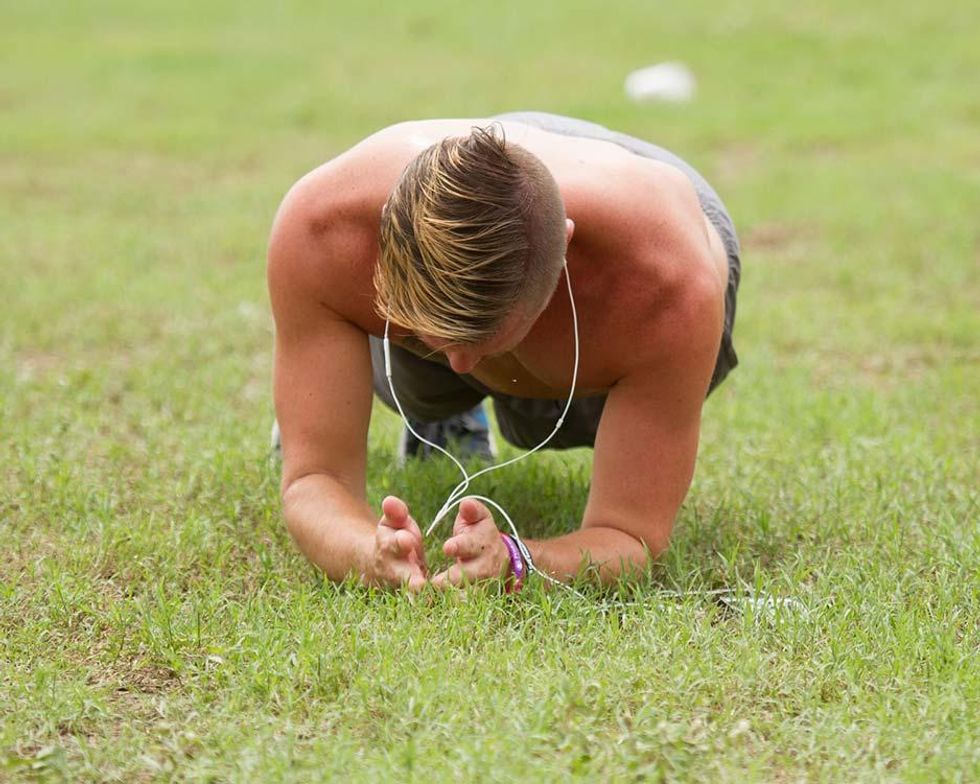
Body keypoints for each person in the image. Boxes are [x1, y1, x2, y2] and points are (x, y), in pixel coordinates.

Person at [267, 112, 740, 592]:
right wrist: (362, 552)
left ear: (563, 255)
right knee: (413, 387)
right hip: (497, 184)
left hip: (651, 227)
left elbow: (632, 537)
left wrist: (517, 561)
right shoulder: (322, 231)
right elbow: (313, 479)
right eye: (420, 337)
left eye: (486, 340)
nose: (461, 366)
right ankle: (433, 396)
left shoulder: (669, 289)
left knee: (548, 422)